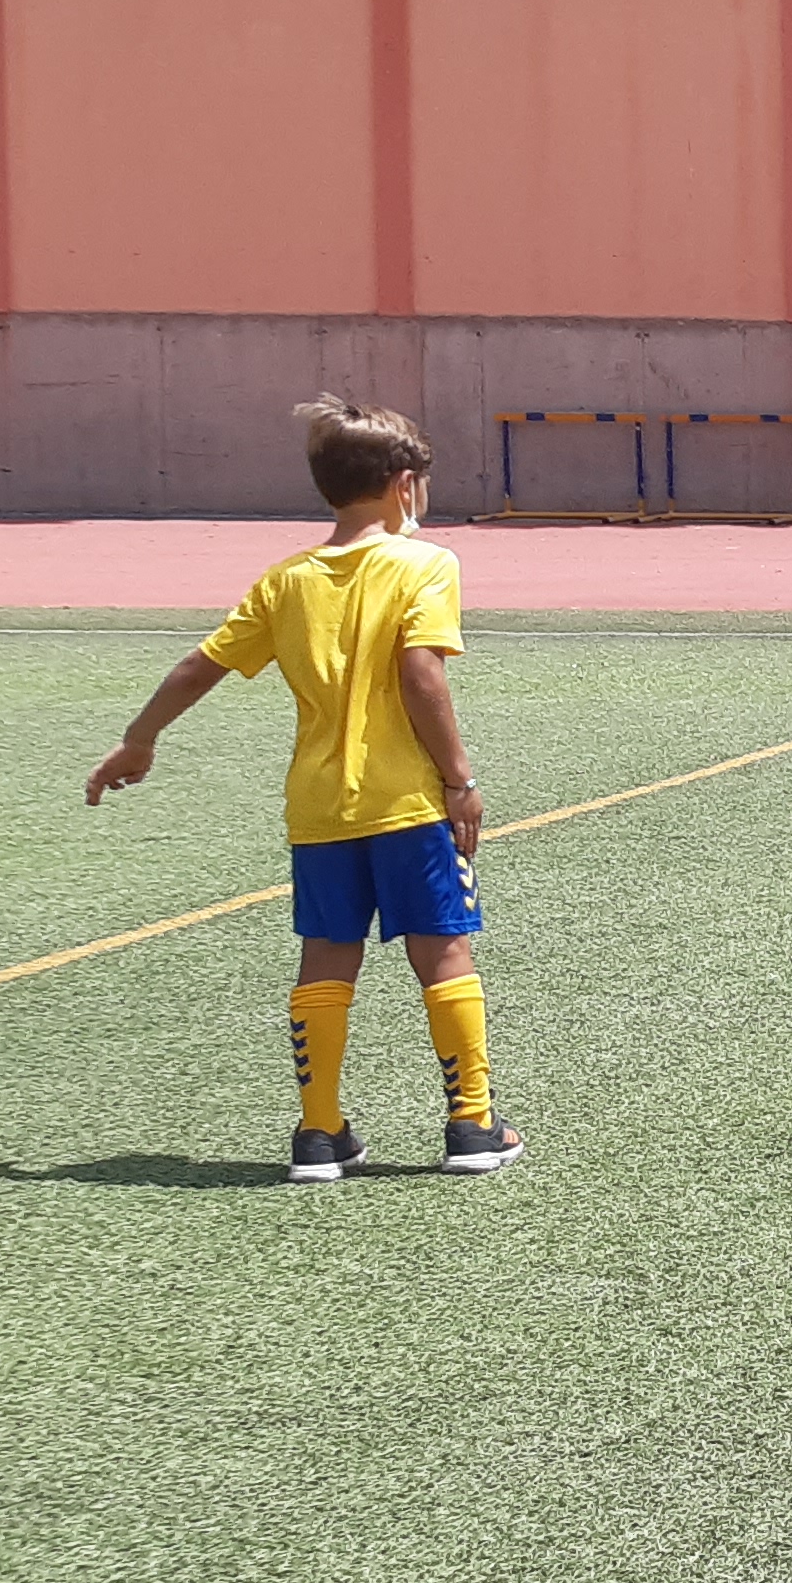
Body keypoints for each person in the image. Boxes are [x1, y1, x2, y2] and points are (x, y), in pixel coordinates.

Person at [86, 395, 521, 1182]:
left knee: (327, 957)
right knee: (443, 950)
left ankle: (319, 1135)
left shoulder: (285, 580)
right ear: (404, 485)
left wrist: (140, 738)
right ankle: (471, 1126)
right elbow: (421, 672)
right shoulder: (425, 563)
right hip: (408, 802)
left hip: (319, 807)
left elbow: (200, 665)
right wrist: (460, 779)